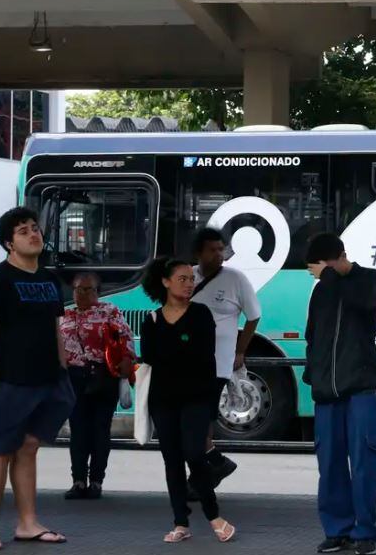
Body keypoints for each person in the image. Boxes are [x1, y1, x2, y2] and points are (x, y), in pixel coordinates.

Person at [0, 207, 75, 551]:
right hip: (8, 383)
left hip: (48, 381)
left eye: (34, 228)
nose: (33, 234)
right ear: (8, 244)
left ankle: (28, 523)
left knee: (29, 448)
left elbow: (54, 328)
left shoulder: (47, 280)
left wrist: (62, 369)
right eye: (23, 231)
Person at [140, 257, 236, 543]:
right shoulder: (152, 319)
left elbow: (202, 355)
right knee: (172, 460)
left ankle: (215, 516)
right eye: (182, 278)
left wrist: (174, 352)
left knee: (195, 454)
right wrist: (179, 349)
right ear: (166, 282)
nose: (189, 283)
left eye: (191, 279)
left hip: (196, 398)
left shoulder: (201, 314)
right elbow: (149, 356)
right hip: (163, 399)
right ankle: (180, 522)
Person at [304, 233, 376, 555]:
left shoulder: (367, 279)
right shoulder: (321, 291)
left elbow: (362, 305)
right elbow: (313, 335)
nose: (315, 275)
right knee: (331, 464)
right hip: (327, 393)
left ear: (335, 259)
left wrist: (331, 275)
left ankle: (365, 532)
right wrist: (314, 374)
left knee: (365, 463)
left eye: (317, 268)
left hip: (360, 389)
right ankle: (337, 530)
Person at [191, 227, 262, 491]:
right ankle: (209, 469)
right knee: (193, 421)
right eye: (213, 250)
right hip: (186, 364)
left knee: (201, 420)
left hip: (217, 365)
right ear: (199, 252)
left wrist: (240, 351)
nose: (219, 255)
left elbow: (253, 316)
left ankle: (206, 472)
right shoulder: (187, 277)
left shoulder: (236, 279)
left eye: (221, 249)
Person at [60, 272, 135, 500]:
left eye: (88, 289)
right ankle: (78, 481)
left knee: (100, 430)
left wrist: (126, 362)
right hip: (75, 377)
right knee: (78, 430)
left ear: (97, 292)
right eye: (78, 289)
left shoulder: (109, 311)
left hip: (103, 376)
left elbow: (126, 338)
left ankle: (96, 481)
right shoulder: (65, 315)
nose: (82, 294)